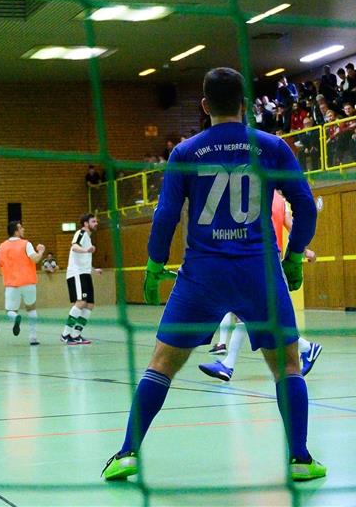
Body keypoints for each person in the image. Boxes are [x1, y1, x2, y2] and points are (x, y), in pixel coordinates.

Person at [102, 67, 324, 483]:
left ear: (204, 106)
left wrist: (153, 264)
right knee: (288, 367)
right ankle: (300, 459)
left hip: (201, 276)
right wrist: (293, 258)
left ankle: (127, 452)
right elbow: (305, 207)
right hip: (259, 271)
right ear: (245, 105)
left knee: (161, 365)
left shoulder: (185, 152)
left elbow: (166, 214)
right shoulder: (273, 146)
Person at [199, 191, 324, 382]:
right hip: (269, 260)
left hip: (255, 260)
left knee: (248, 314)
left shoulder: (250, 192)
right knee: (252, 315)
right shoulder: (281, 201)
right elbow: (293, 228)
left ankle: (228, 365)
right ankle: (306, 348)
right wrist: (305, 251)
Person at [0, 221, 46, 345]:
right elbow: (35, 259)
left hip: (11, 285)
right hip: (28, 282)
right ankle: (33, 337)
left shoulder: (2, 246)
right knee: (31, 308)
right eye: (21, 227)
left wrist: (6, 274)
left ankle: (15, 317)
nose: (23, 229)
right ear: (16, 230)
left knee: (10, 311)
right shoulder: (26, 244)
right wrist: (40, 251)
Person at [62, 213, 102, 345]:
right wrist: (86, 250)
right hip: (76, 274)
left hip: (85, 274)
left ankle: (76, 334)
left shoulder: (88, 239)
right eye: (93, 221)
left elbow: (83, 260)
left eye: (96, 221)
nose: (96, 223)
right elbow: (74, 247)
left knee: (89, 305)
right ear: (86, 223)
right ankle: (66, 334)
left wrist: (93, 269)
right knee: (80, 302)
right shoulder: (81, 233)